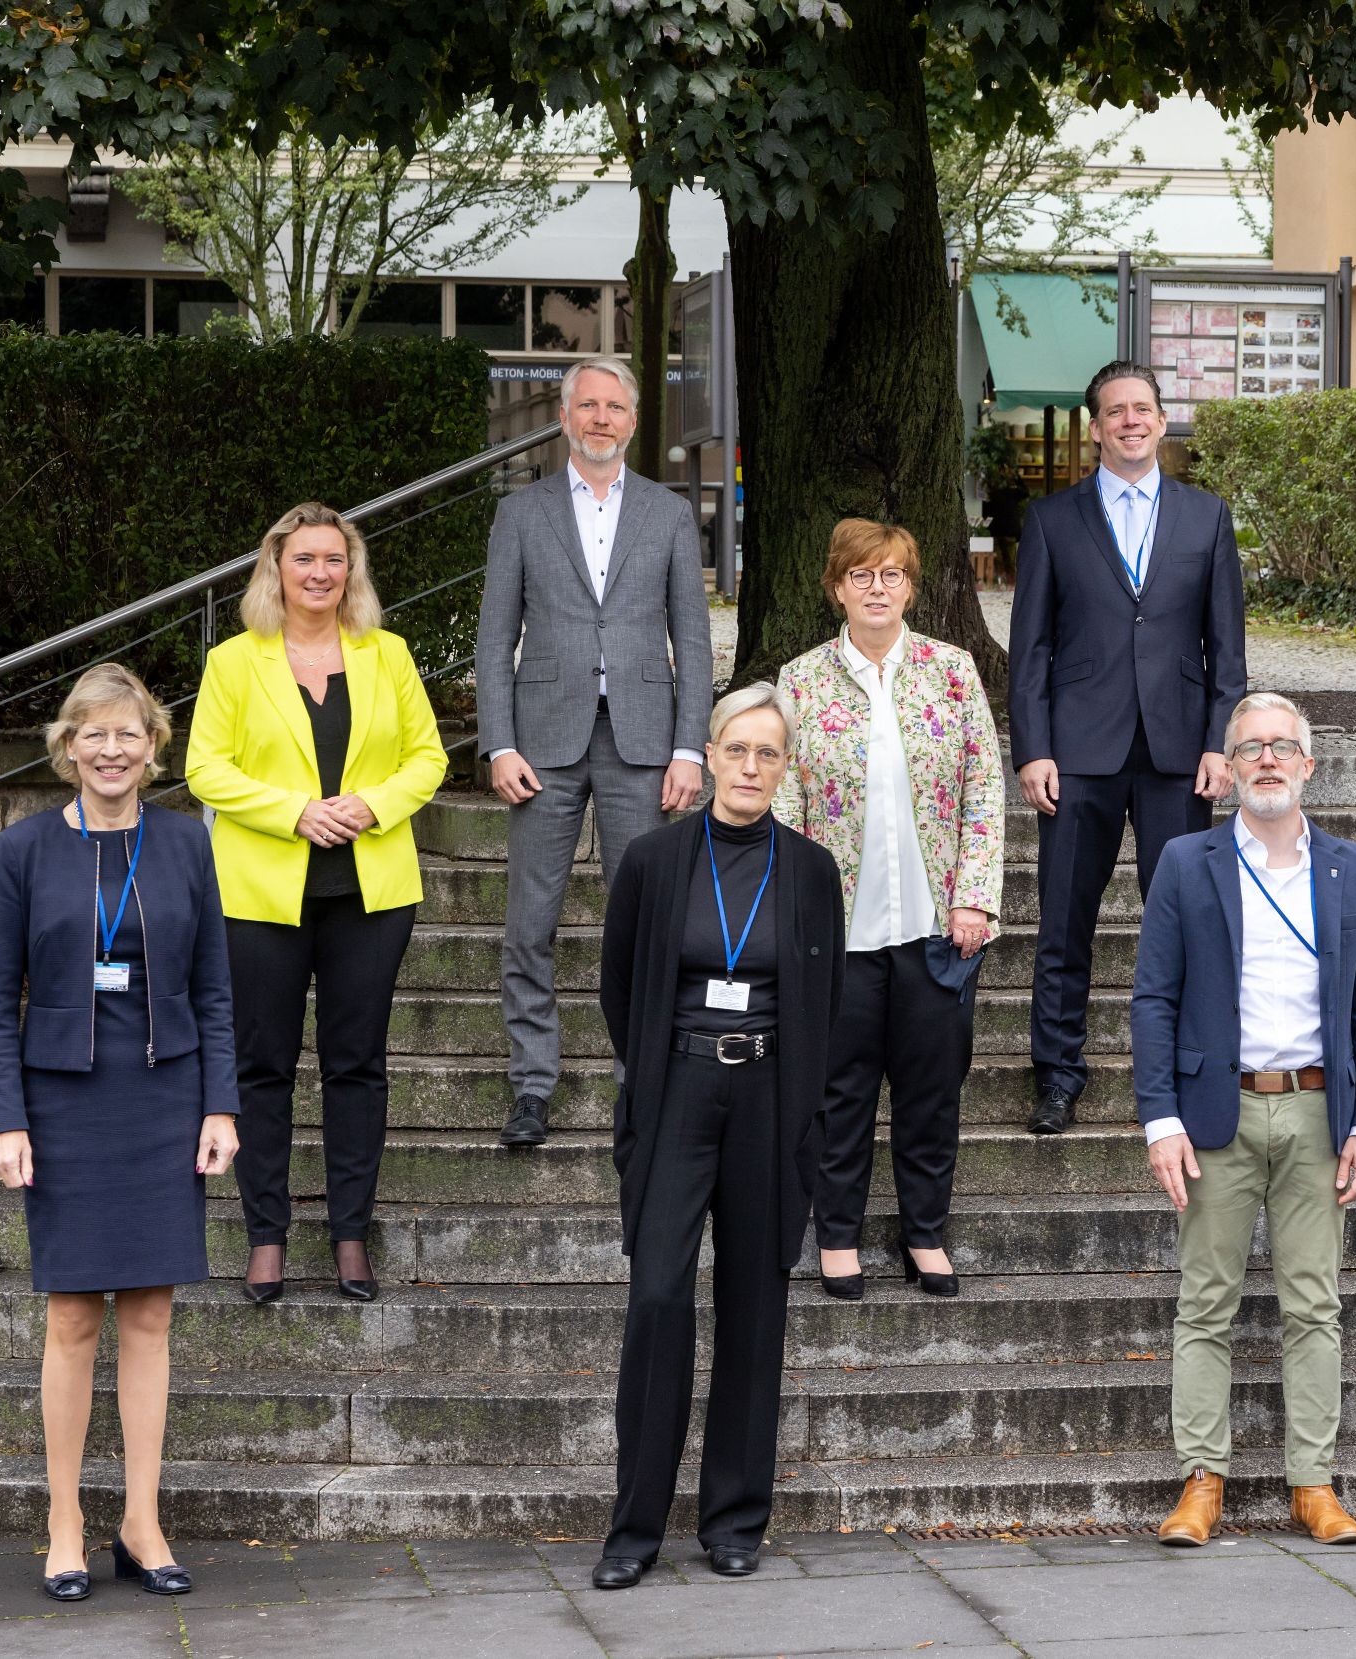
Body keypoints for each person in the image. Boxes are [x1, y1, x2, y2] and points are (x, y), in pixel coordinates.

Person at [0, 664, 238, 1602]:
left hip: (164, 1095)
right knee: (72, 1314)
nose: (113, 749)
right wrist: (5, 1116)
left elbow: (214, 987)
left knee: (153, 1313)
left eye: (129, 734)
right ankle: (63, 1520)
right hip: (62, 1102)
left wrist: (220, 1104)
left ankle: (141, 1517)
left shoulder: (183, 844)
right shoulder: (23, 851)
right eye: (95, 734)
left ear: (154, 745)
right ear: (68, 746)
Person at [590, 685, 845, 1590]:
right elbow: (620, 985)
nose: (749, 768)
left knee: (754, 1303)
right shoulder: (655, 860)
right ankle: (635, 1527)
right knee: (658, 1294)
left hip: (771, 1095)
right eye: (736, 750)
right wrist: (669, 1068)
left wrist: (801, 1098)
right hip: (679, 1090)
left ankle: (735, 1517)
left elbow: (825, 997)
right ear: (708, 754)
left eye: (768, 754)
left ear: (787, 766)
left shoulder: (811, 869)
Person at [1130, 693, 1356, 1548]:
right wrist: (1160, 1118)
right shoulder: (1185, 860)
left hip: (1321, 1111)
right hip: (1217, 1113)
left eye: (1284, 747)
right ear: (1229, 768)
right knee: (1204, 1302)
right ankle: (1202, 1479)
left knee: (1313, 1306)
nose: (1269, 760)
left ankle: (1312, 1482)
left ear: (1309, 766)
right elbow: (1153, 998)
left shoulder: (1351, 869)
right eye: (1252, 748)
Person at [185, 503, 446, 1304]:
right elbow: (205, 768)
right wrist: (294, 810)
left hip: (369, 891)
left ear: (351, 570)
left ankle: (349, 1235)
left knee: (357, 1065)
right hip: (261, 892)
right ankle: (266, 1236)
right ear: (277, 567)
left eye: (335, 559)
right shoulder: (234, 661)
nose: (320, 573)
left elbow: (428, 756)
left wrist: (368, 805)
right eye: (305, 559)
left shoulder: (388, 654)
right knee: (261, 1066)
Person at [476, 357, 714, 1149]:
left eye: (616, 406)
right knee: (528, 923)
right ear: (566, 415)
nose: (601, 417)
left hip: (646, 740)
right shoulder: (521, 511)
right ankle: (532, 1084)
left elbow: (695, 637)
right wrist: (498, 742)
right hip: (541, 742)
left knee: (646, 920)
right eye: (588, 404)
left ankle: (637, 1079)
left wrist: (690, 747)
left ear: (635, 420)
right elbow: (491, 640)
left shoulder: (670, 513)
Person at [1010, 359, 1247, 1136]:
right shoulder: (1052, 520)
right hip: (1077, 750)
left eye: (1143, 408)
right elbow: (1031, 649)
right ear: (1096, 426)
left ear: (1161, 417)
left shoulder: (1206, 516)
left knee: (1186, 915)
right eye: (1116, 411)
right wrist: (1032, 749)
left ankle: (1189, 1067)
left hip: (1181, 750)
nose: (1131, 421)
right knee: (1063, 920)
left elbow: (1227, 648)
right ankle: (1057, 1073)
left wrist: (1223, 743)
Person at [779, 519, 1005, 1298]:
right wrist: (798, 916)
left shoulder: (952, 671)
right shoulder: (800, 681)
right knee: (836, 1093)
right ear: (836, 587)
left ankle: (925, 1232)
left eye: (893, 574)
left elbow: (984, 790)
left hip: (938, 927)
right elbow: (785, 805)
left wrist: (975, 896)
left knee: (931, 1090)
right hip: (837, 934)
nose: (878, 588)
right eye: (862, 575)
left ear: (912, 585)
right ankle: (837, 1235)